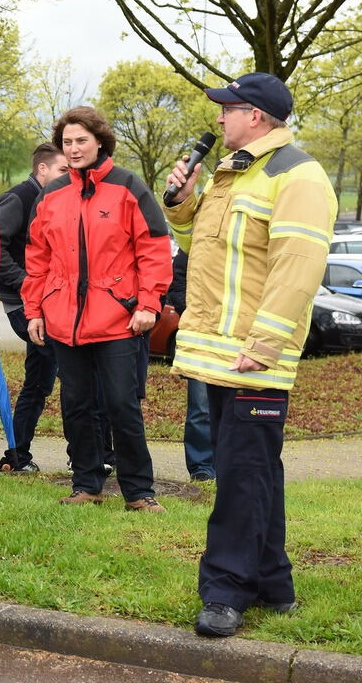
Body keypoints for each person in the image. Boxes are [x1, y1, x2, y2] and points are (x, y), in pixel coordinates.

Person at [164, 72, 335, 638]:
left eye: (227, 108)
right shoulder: (234, 172)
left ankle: (225, 590)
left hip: (253, 356)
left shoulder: (298, 175)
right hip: (223, 354)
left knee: (240, 475)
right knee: (256, 470)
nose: (218, 118)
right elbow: (210, 254)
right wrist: (184, 207)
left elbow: (297, 268)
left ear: (256, 116)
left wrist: (265, 344)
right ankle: (271, 582)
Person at [24, 106, 171, 512]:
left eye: (81, 141)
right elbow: (38, 257)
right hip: (64, 320)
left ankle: (139, 492)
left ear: (100, 141)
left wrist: (148, 304)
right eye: (67, 142)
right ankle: (86, 484)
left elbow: (155, 249)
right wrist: (34, 309)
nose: (73, 149)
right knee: (76, 404)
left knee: (122, 405)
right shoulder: (51, 194)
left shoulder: (127, 187)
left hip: (119, 319)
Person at [0, 142, 68, 474]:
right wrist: (26, 282)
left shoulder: (54, 200)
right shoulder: (20, 198)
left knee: (39, 380)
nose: (70, 175)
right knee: (69, 373)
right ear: (43, 169)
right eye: (64, 169)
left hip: (49, 302)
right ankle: (89, 456)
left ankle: (17, 455)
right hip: (24, 304)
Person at [168, 248, 214, 481]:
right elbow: (177, 285)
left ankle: (228, 464)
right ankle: (201, 467)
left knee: (235, 407)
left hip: (237, 336)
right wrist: (196, 314)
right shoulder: (195, 242)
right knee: (201, 407)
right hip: (202, 338)